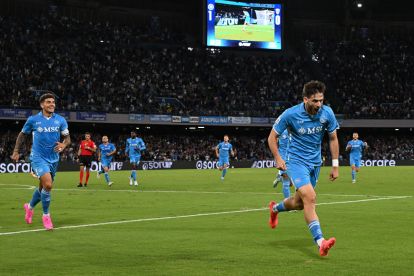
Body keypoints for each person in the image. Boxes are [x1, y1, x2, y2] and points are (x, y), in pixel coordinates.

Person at [267, 80, 339, 256]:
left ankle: (275, 208)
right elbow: (271, 137)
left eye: (321, 100)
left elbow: (333, 138)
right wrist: (278, 157)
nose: (319, 104)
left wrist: (335, 165)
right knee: (310, 197)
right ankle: (321, 242)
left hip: (315, 163)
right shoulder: (290, 114)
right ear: (305, 99)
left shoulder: (327, 113)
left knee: (299, 204)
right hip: (296, 162)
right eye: (315, 101)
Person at [11, 93, 71, 230]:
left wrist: (64, 145)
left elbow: (67, 138)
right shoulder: (33, 120)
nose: (52, 104)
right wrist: (16, 151)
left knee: (42, 187)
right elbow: (22, 135)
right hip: (38, 157)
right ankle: (46, 216)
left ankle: (29, 207)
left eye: (53, 102)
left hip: (54, 158)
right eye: (48, 102)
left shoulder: (60, 120)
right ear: (42, 105)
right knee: (48, 185)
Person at [272, 129, 292, 199]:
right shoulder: (282, 131)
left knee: (291, 183)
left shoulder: (296, 130)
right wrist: (277, 158)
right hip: (283, 159)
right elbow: (273, 141)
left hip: (292, 159)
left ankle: (279, 178)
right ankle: (288, 203)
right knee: (286, 182)